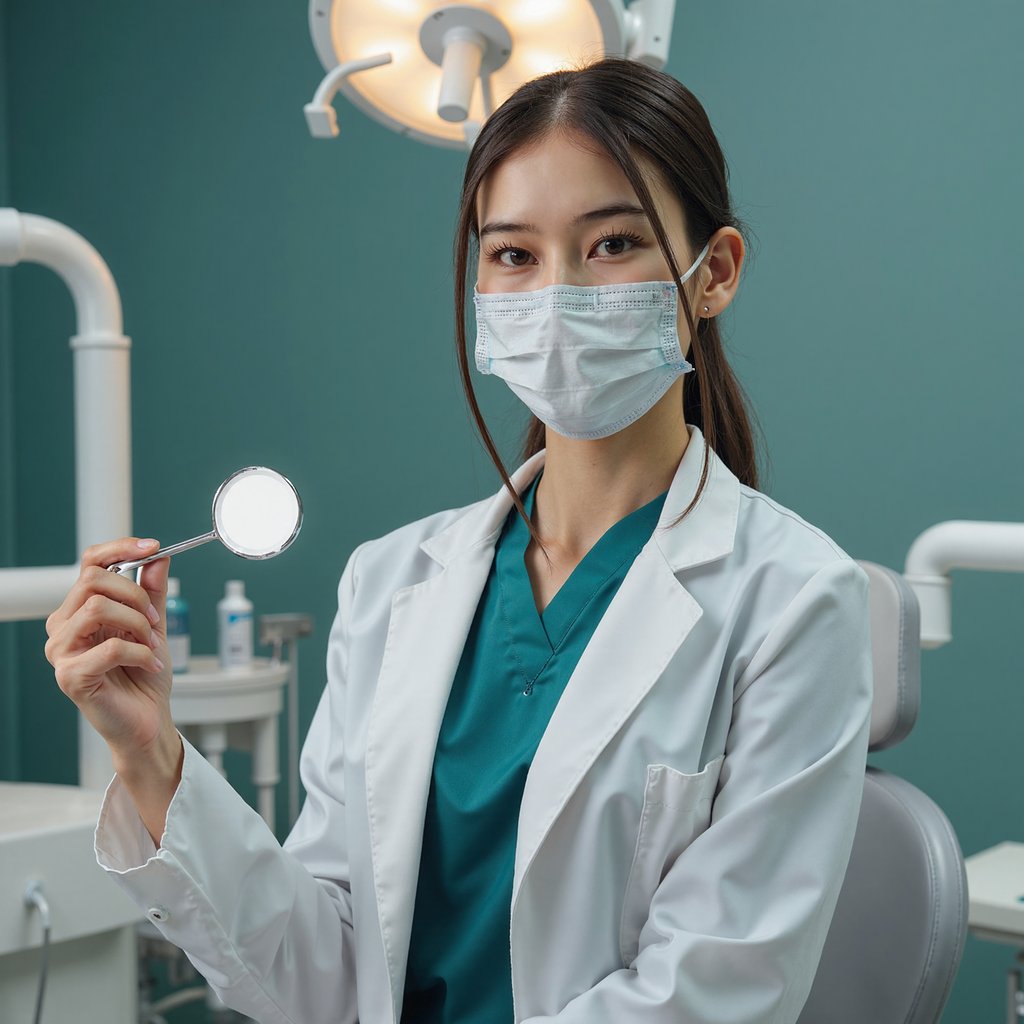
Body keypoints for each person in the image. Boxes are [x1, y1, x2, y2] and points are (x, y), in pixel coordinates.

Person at [44, 57, 873, 1024]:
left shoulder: (794, 600)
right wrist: (151, 756)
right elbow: (324, 974)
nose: (557, 294)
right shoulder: (391, 581)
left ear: (715, 272)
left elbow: (713, 993)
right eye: (514, 254)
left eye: (612, 244)